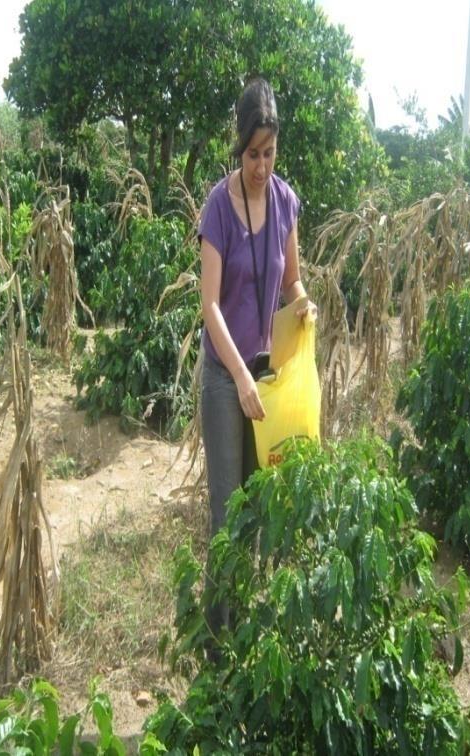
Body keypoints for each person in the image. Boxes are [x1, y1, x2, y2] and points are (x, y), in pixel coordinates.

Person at [198, 77, 316, 636]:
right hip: (227, 379)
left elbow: (292, 281)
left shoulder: (286, 201)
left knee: (257, 508)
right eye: (252, 154)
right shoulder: (218, 207)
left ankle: (247, 633)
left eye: (269, 153)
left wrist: (304, 303)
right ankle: (218, 646)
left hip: (264, 378)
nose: (261, 166)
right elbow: (211, 306)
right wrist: (241, 378)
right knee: (226, 513)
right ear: (238, 146)